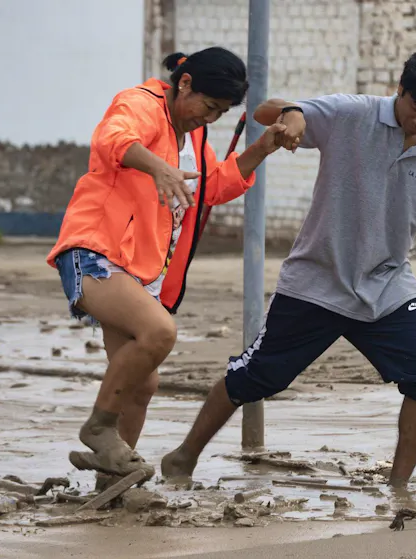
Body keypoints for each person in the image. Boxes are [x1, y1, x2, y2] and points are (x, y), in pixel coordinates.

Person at [159, 50, 416, 488]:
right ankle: (184, 456)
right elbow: (268, 111)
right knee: (256, 376)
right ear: (400, 89)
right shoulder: (351, 114)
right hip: (315, 283)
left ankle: (398, 490)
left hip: (386, 286)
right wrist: (293, 118)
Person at [45, 47, 288, 478]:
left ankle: (111, 479)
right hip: (96, 250)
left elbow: (212, 186)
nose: (209, 118)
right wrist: (157, 166)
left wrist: (264, 147)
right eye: (207, 107)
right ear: (185, 83)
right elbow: (112, 139)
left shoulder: (193, 134)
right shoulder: (141, 102)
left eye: (220, 112)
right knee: (159, 332)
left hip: (140, 265)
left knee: (143, 385)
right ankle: (98, 429)